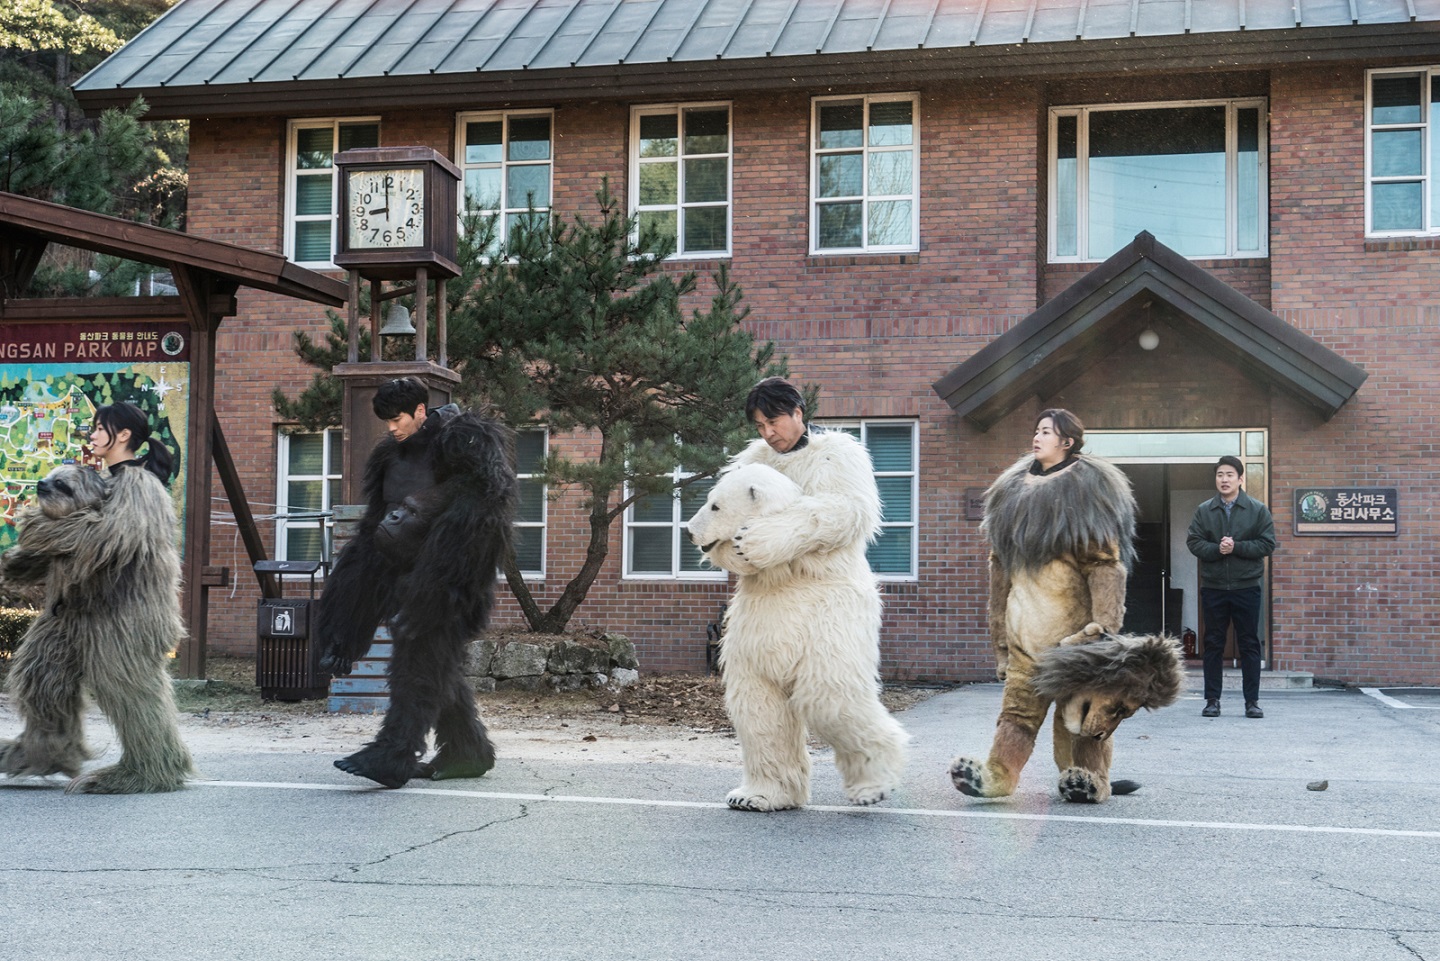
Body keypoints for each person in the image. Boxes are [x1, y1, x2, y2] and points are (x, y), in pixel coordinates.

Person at [710, 376, 909, 811]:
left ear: (798, 412)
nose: (768, 433)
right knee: (753, 696)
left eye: (774, 421)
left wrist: (781, 534)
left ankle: (872, 764)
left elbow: (851, 514)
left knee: (830, 699)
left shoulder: (838, 455)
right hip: (763, 601)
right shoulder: (752, 463)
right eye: (760, 425)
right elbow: (723, 521)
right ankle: (773, 783)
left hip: (829, 596)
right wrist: (734, 552)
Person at [315, 377, 517, 789]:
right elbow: (375, 527)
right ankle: (468, 751)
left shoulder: (464, 441)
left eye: (398, 418)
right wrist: (348, 617)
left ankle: (395, 752)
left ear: (421, 410)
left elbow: (484, 513)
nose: (391, 427)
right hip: (401, 572)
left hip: (448, 580)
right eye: (386, 420)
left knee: (417, 662)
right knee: (436, 664)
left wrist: (436, 589)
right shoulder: (389, 457)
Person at [949, 408, 1145, 803]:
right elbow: (999, 572)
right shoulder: (1012, 492)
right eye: (1036, 430)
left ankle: (1091, 780)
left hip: (1074, 642)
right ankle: (998, 776)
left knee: (1076, 722)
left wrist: (1104, 629)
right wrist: (1001, 639)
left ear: (1067, 442)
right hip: (1025, 641)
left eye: (1046, 432)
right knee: (1016, 717)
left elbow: (1105, 566)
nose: (1036, 438)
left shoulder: (1084, 493)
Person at [0, 401, 194, 793]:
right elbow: (69, 547)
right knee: (41, 675)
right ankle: (47, 748)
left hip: (124, 613)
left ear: (122, 434)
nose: (92, 435)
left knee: (127, 689)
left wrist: (38, 524)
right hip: (74, 611)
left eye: (98, 427)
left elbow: (101, 544)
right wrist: (25, 560)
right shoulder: (102, 483)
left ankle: (154, 765)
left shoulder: (141, 487)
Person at [1187, 455, 1276, 719]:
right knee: (1213, 644)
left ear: (1240, 478)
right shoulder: (1205, 510)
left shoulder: (1257, 509)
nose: (1224, 480)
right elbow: (1194, 542)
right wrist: (1217, 549)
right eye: (1219, 475)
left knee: (1249, 644)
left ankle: (1252, 702)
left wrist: (1236, 547)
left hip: (1246, 586)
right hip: (1214, 587)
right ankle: (1212, 700)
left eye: (1229, 475)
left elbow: (1267, 544)